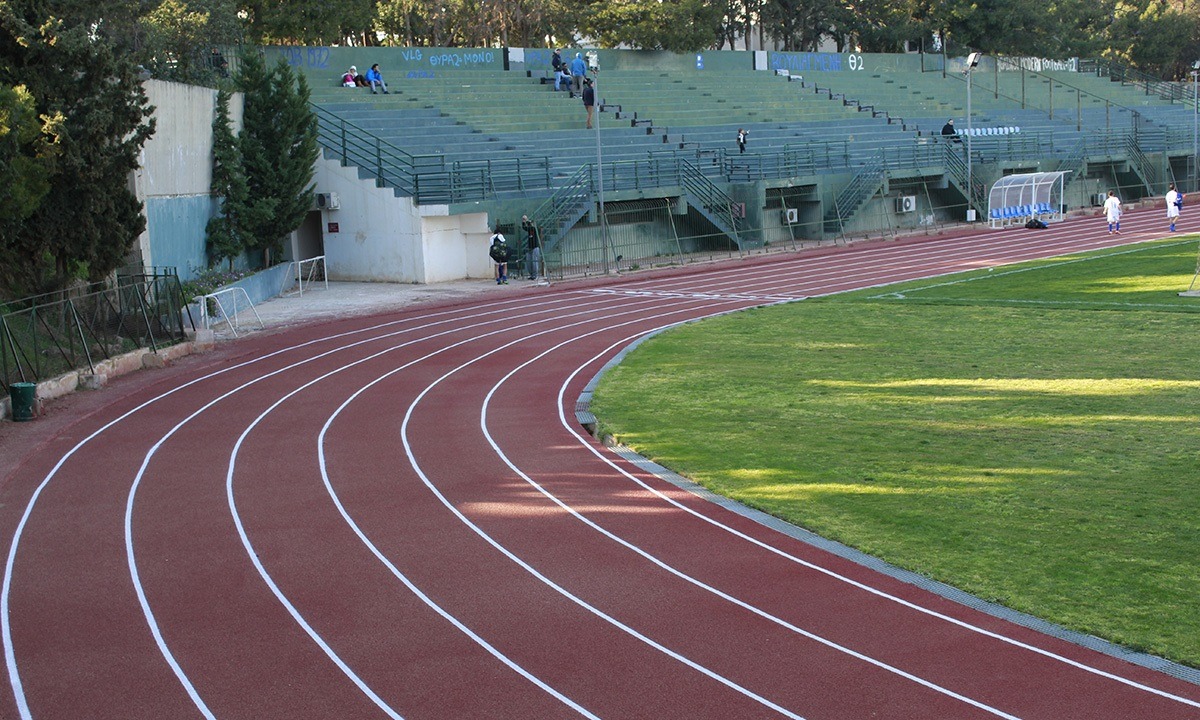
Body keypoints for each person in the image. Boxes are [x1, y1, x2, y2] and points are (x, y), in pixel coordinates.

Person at [522, 215, 541, 280]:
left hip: (535, 247)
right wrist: (524, 222)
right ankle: (531, 274)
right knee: (529, 262)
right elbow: (525, 228)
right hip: (530, 247)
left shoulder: (535, 229)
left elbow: (532, 227)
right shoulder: (530, 230)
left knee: (534, 262)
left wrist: (528, 221)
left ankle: (535, 275)